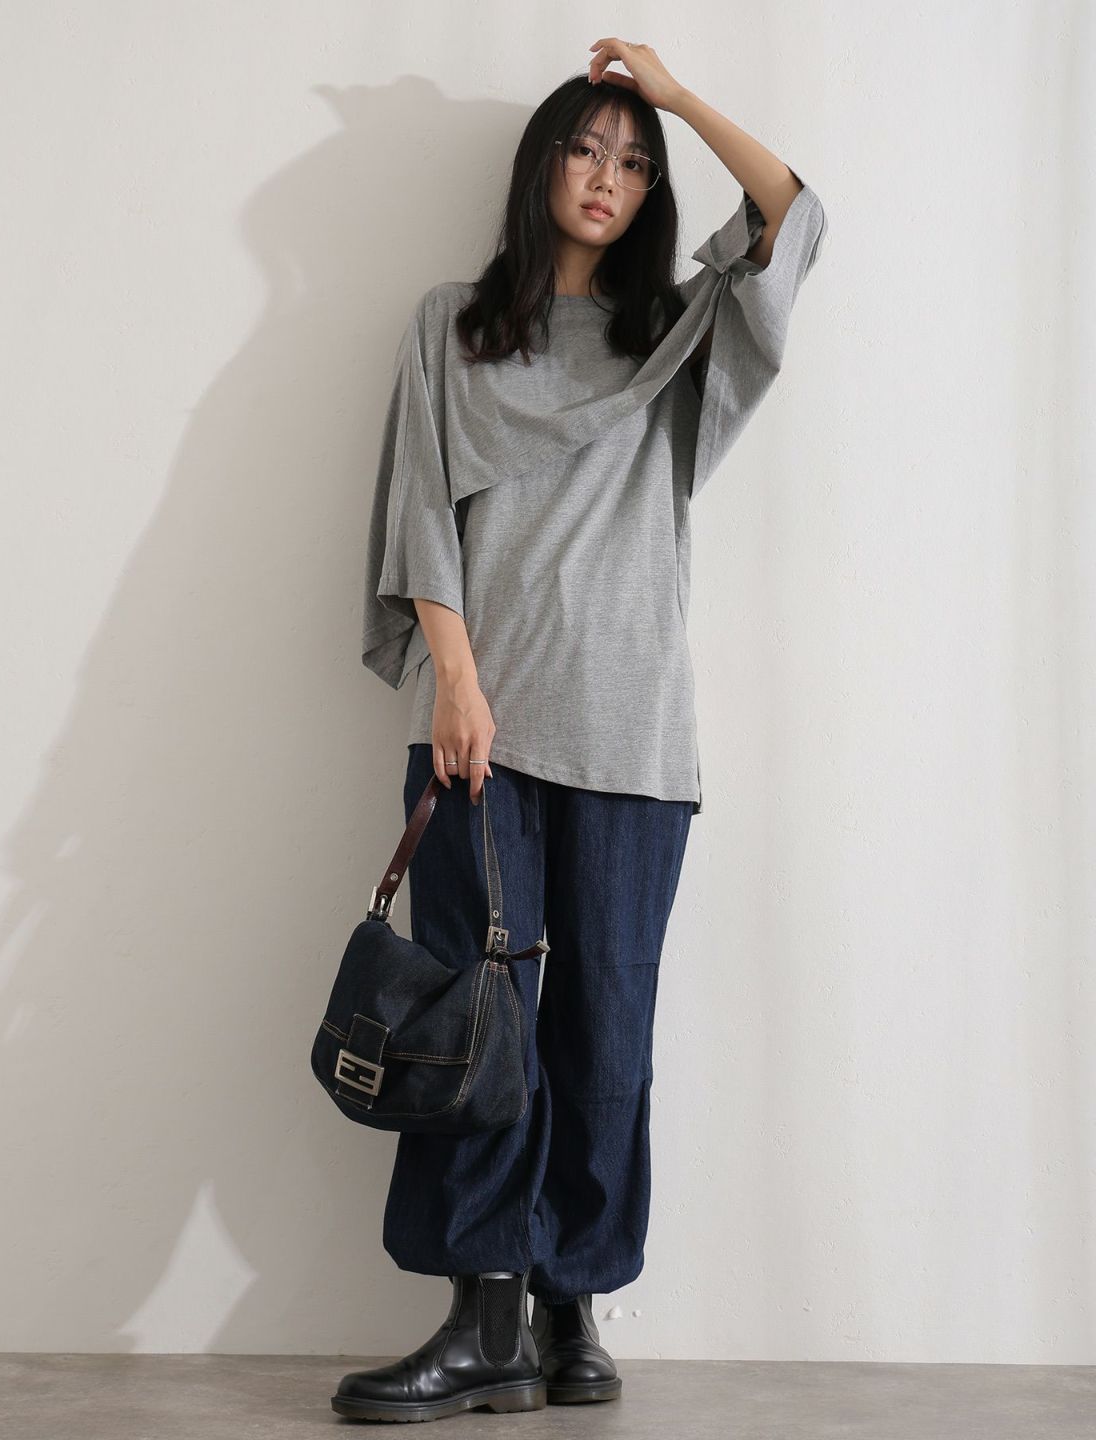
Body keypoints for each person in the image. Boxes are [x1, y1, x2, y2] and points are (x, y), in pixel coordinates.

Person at [333, 37, 828, 1424]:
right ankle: (482, 1317)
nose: (606, 175)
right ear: (541, 164)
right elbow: (419, 507)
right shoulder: (452, 325)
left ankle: (572, 1308)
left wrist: (674, 98)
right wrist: (454, 679)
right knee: (477, 1025)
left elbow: (795, 219)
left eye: (632, 161)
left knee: (607, 1027)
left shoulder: (676, 337)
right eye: (585, 147)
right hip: (481, 732)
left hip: (633, 734)